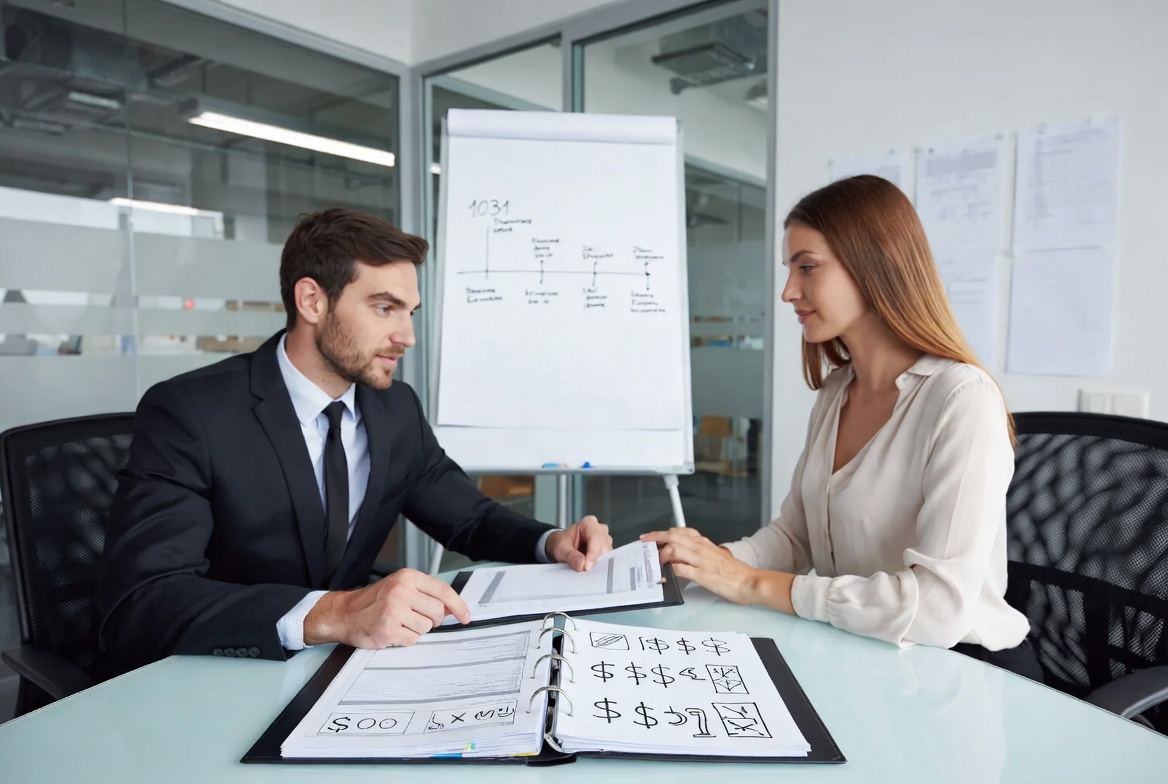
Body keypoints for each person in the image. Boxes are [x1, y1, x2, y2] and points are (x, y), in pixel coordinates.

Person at [97, 208, 612, 677]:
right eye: (385, 308)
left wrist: (551, 543)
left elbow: (470, 518)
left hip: (344, 675)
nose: (406, 336)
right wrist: (336, 612)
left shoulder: (394, 407)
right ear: (312, 301)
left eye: (409, 311)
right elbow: (145, 600)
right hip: (218, 675)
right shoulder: (191, 413)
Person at [643, 175, 1041, 680]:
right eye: (790, 270)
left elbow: (938, 608)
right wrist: (705, 564)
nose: (789, 291)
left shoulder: (961, 399)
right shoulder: (836, 393)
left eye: (807, 267)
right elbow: (795, 537)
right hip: (863, 654)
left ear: (874, 264)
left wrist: (750, 584)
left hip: (961, 671)